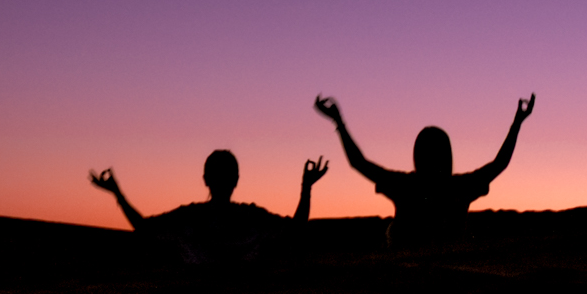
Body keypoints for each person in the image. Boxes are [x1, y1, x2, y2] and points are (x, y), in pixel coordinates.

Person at [313, 94, 535, 245]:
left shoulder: (406, 186)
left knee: (391, 230)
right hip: (449, 263)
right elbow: (499, 164)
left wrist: (339, 122)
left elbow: (359, 163)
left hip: (409, 267)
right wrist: (517, 123)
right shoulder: (459, 187)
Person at [89, 150, 328, 264]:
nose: (223, 180)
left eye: (225, 174)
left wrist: (117, 193)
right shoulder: (247, 216)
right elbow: (296, 228)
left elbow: (144, 227)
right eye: (220, 174)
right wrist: (306, 187)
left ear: (205, 180)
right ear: (237, 180)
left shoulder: (195, 215)